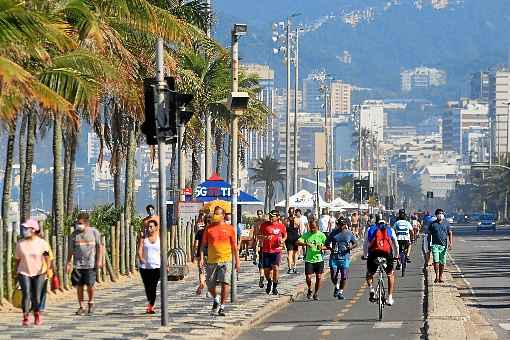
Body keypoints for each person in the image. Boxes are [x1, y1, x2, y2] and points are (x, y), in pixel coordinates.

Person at [200, 207, 240, 316]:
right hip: (212, 261)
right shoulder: (208, 229)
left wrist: (237, 260)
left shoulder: (230, 228)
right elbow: (203, 245)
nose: (215, 216)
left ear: (223, 215)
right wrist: (202, 258)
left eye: (217, 214)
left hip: (226, 260)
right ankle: (216, 298)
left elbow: (234, 246)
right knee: (210, 285)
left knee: (225, 283)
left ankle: (222, 306)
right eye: (214, 214)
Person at [15, 219, 52, 326]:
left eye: (27, 228)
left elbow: (47, 257)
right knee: (26, 294)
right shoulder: (20, 244)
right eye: (24, 228)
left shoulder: (42, 243)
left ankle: (37, 314)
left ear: (34, 230)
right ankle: (25, 317)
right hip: (24, 272)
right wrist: (16, 273)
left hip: (39, 272)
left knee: (36, 296)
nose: (24, 230)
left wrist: (48, 269)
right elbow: (17, 259)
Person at [66, 212, 103, 316]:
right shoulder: (74, 234)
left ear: (87, 223)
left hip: (90, 264)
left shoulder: (94, 232)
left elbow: (100, 247)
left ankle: (91, 303)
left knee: (90, 285)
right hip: (78, 264)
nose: (78, 224)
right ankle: (81, 306)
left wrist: (99, 260)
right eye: (77, 222)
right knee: (79, 286)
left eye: (80, 223)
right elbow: (70, 250)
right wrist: (68, 262)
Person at [363, 214, 399, 306]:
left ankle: (371, 289)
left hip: (374, 254)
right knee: (390, 274)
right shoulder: (389, 229)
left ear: (376, 221)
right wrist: (396, 255)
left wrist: (365, 255)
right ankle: (390, 297)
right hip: (387, 255)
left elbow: (365, 244)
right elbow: (395, 243)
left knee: (369, 273)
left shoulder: (370, 229)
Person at [326, 217, 357, 300]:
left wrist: (350, 247)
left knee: (344, 276)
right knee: (333, 275)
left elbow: (355, 243)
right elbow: (327, 243)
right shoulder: (333, 233)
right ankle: (336, 286)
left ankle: (340, 292)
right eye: (340, 225)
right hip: (334, 257)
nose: (341, 226)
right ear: (337, 224)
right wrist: (330, 248)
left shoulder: (349, 233)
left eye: (343, 225)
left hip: (345, 257)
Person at [297, 218, 327, 300]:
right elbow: (297, 242)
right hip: (309, 259)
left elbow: (328, 246)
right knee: (308, 277)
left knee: (319, 277)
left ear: (317, 227)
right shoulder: (307, 234)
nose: (312, 229)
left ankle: (316, 293)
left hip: (319, 259)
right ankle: (310, 288)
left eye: (314, 227)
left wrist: (322, 247)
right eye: (311, 227)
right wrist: (305, 243)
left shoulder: (321, 235)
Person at [259, 210, 287, 295]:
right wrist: (265, 237)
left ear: (277, 217)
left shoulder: (281, 226)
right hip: (266, 250)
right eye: (270, 216)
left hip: (276, 250)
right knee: (266, 270)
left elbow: (285, 235)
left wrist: (282, 240)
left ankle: (275, 287)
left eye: (273, 216)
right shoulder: (264, 225)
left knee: (276, 268)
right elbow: (258, 235)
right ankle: (269, 281)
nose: (271, 218)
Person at [137, 219, 160, 314]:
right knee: (147, 287)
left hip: (156, 266)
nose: (149, 228)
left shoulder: (159, 238)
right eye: (148, 227)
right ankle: (150, 303)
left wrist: (166, 264)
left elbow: (162, 252)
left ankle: (151, 306)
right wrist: (142, 259)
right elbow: (139, 250)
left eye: (151, 227)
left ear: (155, 228)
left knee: (153, 286)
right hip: (145, 267)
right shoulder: (143, 238)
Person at [428, 209, 453, 283]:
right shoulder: (432, 224)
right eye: (439, 213)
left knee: (442, 262)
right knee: (436, 261)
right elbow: (429, 235)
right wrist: (429, 244)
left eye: (441, 213)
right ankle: (436, 276)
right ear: (436, 215)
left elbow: (450, 233)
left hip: (443, 246)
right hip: (435, 245)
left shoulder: (446, 223)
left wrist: (450, 243)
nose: (440, 215)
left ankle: (440, 276)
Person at [252, 210, 266, 288]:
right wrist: (255, 243)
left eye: (260, 214)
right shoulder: (256, 223)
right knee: (261, 262)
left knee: (268, 264)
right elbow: (255, 233)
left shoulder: (265, 222)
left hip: (267, 245)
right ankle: (261, 276)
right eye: (258, 214)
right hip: (260, 244)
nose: (259, 216)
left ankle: (267, 277)